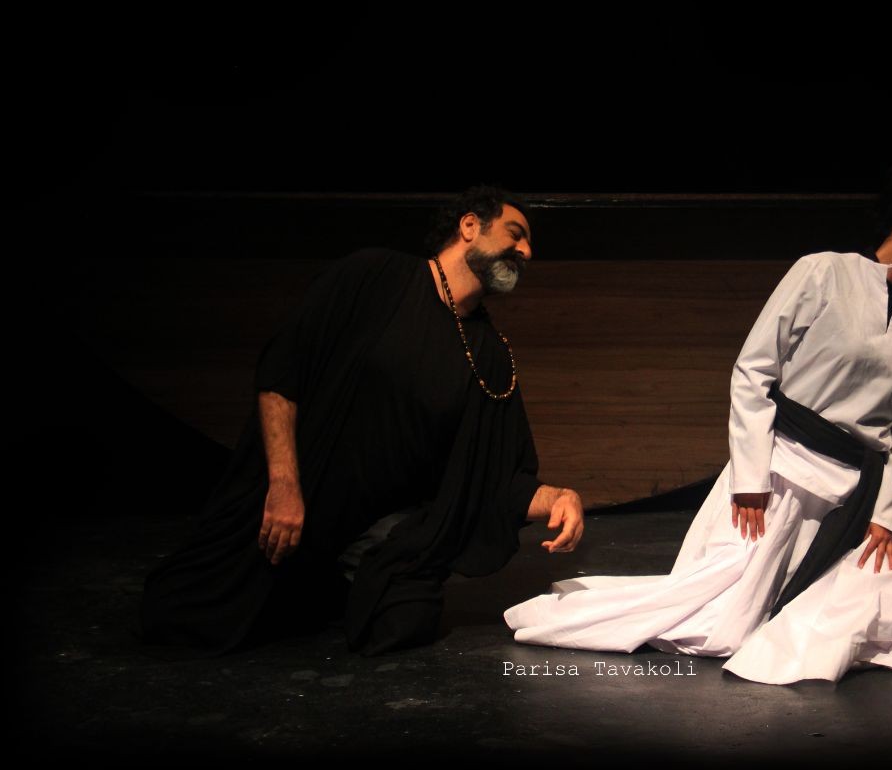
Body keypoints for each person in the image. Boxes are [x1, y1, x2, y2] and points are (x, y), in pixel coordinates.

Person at [504, 188, 892, 684]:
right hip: (783, 468)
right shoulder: (825, 272)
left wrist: (887, 513)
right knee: (720, 623)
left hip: (859, 492)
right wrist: (751, 477)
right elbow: (754, 371)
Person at [140, 186, 585, 658]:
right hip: (298, 500)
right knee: (182, 614)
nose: (526, 251)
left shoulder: (489, 354)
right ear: (470, 226)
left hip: (378, 534)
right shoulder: (375, 277)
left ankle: (338, 582)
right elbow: (282, 371)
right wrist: (284, 485)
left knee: (405, 620)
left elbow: (499, 478)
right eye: (515, 234)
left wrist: (560, 497)